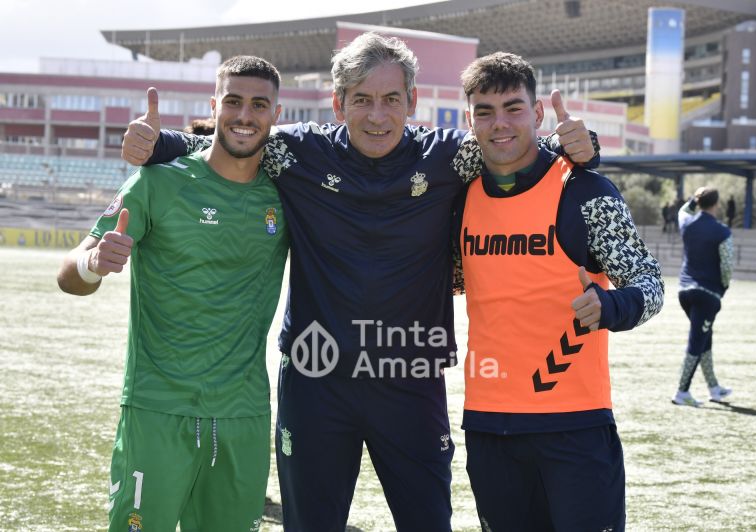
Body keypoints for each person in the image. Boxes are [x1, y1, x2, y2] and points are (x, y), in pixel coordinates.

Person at [122, 33, 598, 531]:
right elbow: (232, 142)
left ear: (412, 101)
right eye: (362, 100)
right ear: (338, 102)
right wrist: (160, 143)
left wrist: (589, 148)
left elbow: (519, 147)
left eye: (392, 99)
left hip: (410, 376)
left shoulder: (450, 157)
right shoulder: (298, 153)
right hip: (316, 380)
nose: (378, 115)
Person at [57, 56, 288, 530]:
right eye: (234, 101)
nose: (245, 115)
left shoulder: (286, 196)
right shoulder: (157, 181)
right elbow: (68, 274)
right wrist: (95, 264)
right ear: (214, 106)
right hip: (157, 408)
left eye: (258, 104)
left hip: (243, 415)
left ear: (276, 115)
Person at [454, 52, 664, 531]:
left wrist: (611, 305)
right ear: (470, 119)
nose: (499, 123)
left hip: (575, 425)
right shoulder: (460, 193)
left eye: (513, 108)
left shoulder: (585, 190)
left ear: (538, 113)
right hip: (488, 425)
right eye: (484, 112)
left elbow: (649, 284)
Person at [672, 186, 734, 407]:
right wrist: (723, 287)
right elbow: (727, 265)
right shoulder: (722, 231)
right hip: (707, 294)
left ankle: (714, 388)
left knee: (705, 338)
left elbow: (682, 211)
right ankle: (682, 392)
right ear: (716, 205)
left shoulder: (687, 223)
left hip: (684, 291)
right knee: (697, 341)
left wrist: (693, 198)